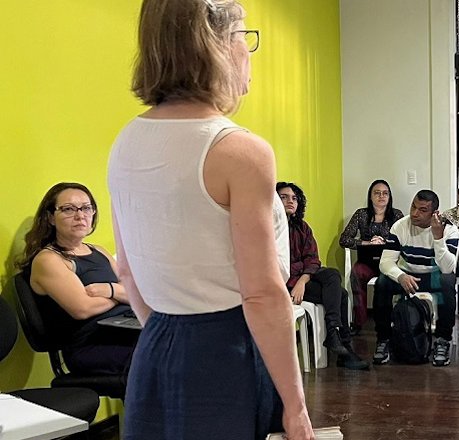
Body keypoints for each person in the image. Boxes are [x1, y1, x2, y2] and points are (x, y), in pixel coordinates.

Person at [109, 1, 314, 437]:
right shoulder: (239, 151)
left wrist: (171, 332)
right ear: (216, 45)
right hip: (227, 351)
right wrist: (296, 407)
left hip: (155, 346)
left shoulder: (126, 142)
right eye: (244, 36)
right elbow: (261, 294)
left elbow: (125, 267)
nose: (248, 52)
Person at [20, 183, 137, 377]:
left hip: (125, 329)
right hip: (90, 345)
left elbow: (133, 291)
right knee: (161, 355)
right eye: (68, 209)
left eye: (86, 207)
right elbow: (83, 309)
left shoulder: (99, 251)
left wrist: (110, 290)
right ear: (50, 218)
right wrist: (120, 292)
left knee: (181, 341)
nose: (80, 215)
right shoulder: (48, 259)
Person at [276, 182, 368, 370]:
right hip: (284, 283)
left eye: (294, 198)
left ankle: (334, 334)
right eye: (284, 197)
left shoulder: (302, 228)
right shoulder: (270, 229)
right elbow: (279, 264)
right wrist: (301, 275)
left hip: (301, 281)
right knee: (340, 294)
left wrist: (303, 279)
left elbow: (313, 259)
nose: (290, 201)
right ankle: (343, 347)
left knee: (332, 275)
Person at [371, 190, 459, 367]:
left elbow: (447, 268)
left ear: (434, 213)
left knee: (447, 281)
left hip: (433, 275)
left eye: (422, 210)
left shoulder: (450, 230)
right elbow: (386, 262)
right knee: (382, 282)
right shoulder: (400, 226)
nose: (414, 213)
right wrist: (401, 276)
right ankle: (383, 339)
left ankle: (443, 340)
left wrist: (438, 237)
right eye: (413, 206)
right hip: (407, 275)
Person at [339, 180, 405, 332]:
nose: (381, 196)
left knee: (386, 280)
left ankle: (389, 321)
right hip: (367, 262)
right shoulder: (361, 214)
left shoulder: (396, 215)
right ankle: (359, 322)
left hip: (389, 262)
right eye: (377, 192)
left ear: (390, 197)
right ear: (370, 196)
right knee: (356, 274)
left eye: (385, 193)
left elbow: (403, 240)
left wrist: (384, 242)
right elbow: (344, 239)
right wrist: (366, 243)